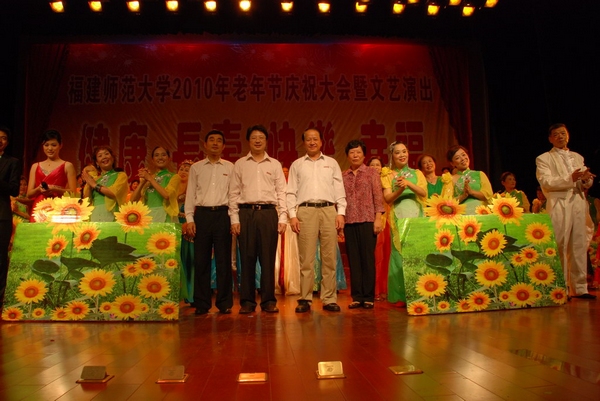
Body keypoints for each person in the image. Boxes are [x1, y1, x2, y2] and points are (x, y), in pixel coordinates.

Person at [287, 128, 346, 313]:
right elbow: (291, 191)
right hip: (305, 211)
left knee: (329, 257)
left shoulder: (331, 163)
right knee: (306, 258)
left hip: (329, 210)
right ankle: (305, 298)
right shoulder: (297, 164)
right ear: (304, 143)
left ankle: (329, 298)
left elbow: (339, 189)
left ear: (321, 142)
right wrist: (292, 215)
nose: (312, 142)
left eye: (315, 139)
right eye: (308, 139)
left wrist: (340, 212)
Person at [229, 125, 287, 314]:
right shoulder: (240, 164)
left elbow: (282, 192)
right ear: (248, 141)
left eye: (261, 137)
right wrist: (234, 219)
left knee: (268, 258)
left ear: (266, 141)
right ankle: (247, 301)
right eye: (254, 137)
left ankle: (268, 300)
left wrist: (283, 217)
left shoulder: (274, 164)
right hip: (246, 213)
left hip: (269, 214)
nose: (257, 140)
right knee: (247, 258)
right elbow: (233, 193)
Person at [536, 123, 596, 299]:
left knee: (578, 244)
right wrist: (570, 178)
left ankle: (580, 288)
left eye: (563, 133)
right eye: (556, 134)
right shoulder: (544, 158)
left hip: (577, 201)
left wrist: (585, 180)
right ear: (550, 139)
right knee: (560, 243)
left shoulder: (577, 157)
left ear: (568, 135)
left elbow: (585, 182)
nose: (560, 136)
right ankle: (560, 288)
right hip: (559, 202)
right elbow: (546, 182)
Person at [184, 129, 234, 315]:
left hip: (223, 215)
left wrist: (233, 219)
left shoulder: (230, 167)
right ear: (204, 145)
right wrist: (190, 218)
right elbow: (190, 194)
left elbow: (233, 195)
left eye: (219, 140)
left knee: (223, 261)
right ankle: (202, 303)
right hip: (202, 216)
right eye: (211, 140)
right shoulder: (196, 168)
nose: (215, 143)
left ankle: (224, 303)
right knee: (201, 261)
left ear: (223, 146)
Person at [382, 141, 427, 305]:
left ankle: (419, 293)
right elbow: (387, 198)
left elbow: (424, 192)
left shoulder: (417, 173)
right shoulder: (387, 175)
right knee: (399, 253)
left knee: (417, 253)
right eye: (397, 153)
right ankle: (401, 295)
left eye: (404, 151)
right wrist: (400, 189)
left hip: (417, 215)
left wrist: (408, 184)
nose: (402, 155)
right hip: (398, 216)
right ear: (392, 156)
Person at [342, 140, 384, 309]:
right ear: (347, 156)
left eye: (358, 152)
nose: (355, 155)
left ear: (364, 155)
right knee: (354, 260)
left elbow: (378, 197)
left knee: (367, 259)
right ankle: (357, 296)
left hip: (368, 220)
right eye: (352, 152)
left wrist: (378, 218)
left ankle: (368, 296)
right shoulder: (343, 175)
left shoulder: (371, 173)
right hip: (349, 221)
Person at [26, 130, 77, 221]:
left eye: (53, 145)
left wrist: (55, 189)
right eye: (46, 145)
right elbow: (29, 194)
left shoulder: (67, 166)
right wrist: (38, 189)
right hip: (38, 210)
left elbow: (73, 193)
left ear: (60, 145)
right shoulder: (35, 166)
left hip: (59, 208)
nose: (50, 148)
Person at [0, 126, 22, 310]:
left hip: (1, 215)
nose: (0, 140)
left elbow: (14, 189)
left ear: (7, 142)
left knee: (1, 257)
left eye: (3, 138)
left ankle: (0, 297)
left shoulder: (12, 162)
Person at [130, 146, 180, 223]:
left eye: (163, 155)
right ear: (152, 160)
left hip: (165, 215)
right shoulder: (148, 178)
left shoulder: (174, 177)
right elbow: (133, 201)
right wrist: (142, 183)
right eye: (156, 155)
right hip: (147, 216)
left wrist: (150, 179)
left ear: (169, 159)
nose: (160, 158)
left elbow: (167, 196)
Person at [82, 145, 128, 222]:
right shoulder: (94, 179)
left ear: (113, 158)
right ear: (97, 163)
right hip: (95, 213)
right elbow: (87, 201)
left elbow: (114, 193)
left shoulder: (120, 175)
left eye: (106, 154)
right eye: (100, 156)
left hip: (112, 212)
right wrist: (89, 183)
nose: (104, 157)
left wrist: (94, 185)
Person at [368, 156, 391, 301]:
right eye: (372, 165)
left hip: (388, 220)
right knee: (376, 256)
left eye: (378, 165)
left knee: (387, 256)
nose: (376, 167)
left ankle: (386, 289)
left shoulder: (387, 181)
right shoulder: (367, 181)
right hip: (373, 220)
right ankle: (375, 290)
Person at [446, 145, 493, 215]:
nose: (462, 159)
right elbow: (448, 203)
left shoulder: (480, 174)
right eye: (457, 158)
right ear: (452, 163)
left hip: (482, 212)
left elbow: (488, 195)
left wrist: (471, 192)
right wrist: (463, 196)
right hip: (461, 215)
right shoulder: (450, 179)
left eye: (463, 155)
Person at [177, 160, 194, 304]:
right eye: (181, 169)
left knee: (190, 261)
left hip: (189, 228)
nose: (183, 172)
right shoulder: (172, 189)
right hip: (174, 227)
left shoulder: (195, 191)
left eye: (187, 170)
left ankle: (191, 294)